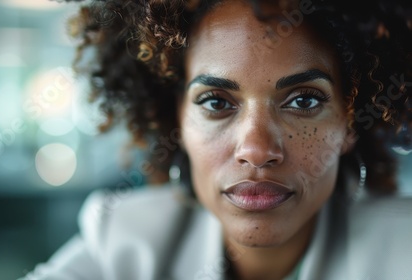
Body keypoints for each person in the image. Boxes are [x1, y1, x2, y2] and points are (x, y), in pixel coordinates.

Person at [23, 0, 412, 279]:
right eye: (216, 102)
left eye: (304, 100)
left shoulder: (402, 249)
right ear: (176, 116)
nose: (257, 151)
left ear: (349, 122)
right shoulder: (121, 242)